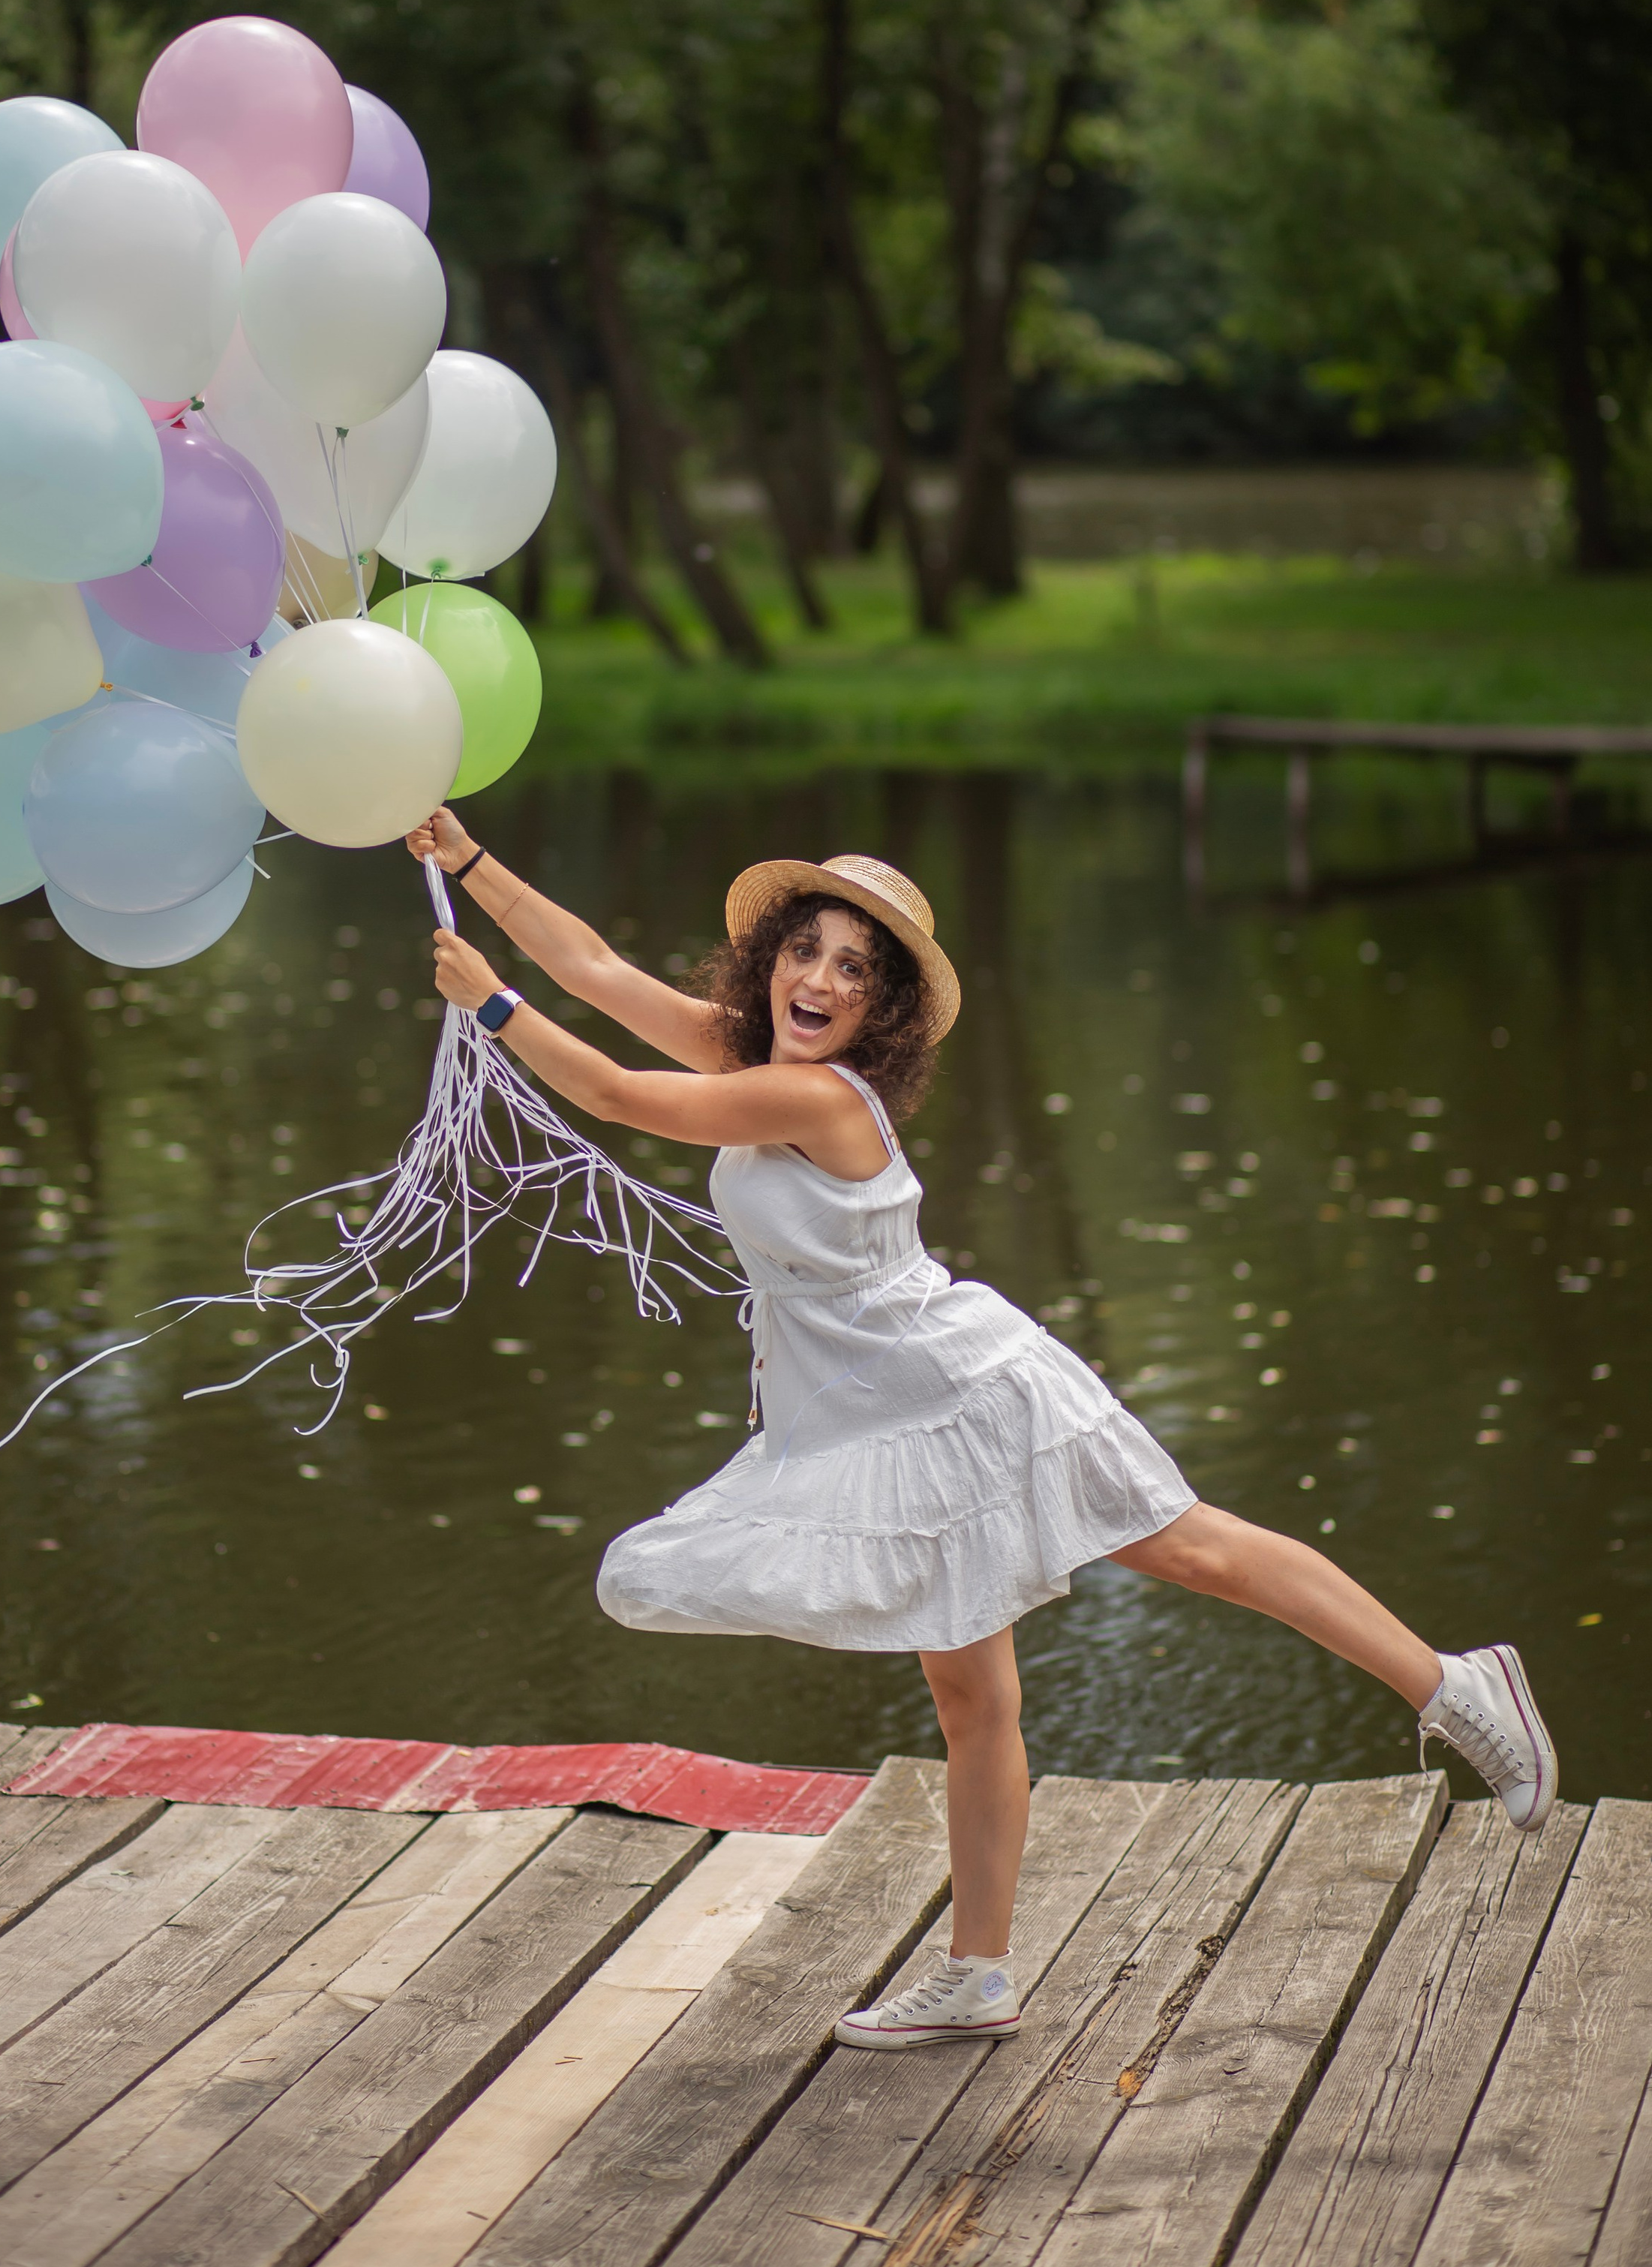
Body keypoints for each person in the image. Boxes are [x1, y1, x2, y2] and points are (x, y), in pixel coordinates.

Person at [407, 811, 1558, 2051]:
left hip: (965, 1389)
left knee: (1196, 1549)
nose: (823, 979)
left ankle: (1454, 1682)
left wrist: (490, 1010)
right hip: (877, 1413)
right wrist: (470, 864)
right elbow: (594, 967)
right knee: (971, 1703)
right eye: (809, 950)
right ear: (770, 964)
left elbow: (624, 1092)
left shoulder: (816, 1096)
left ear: (881, 1012)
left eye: (858, 969)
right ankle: (980, 1974)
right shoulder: (754, 1057)